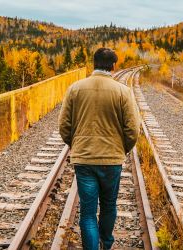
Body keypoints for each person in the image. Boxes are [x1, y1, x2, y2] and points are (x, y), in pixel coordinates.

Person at [58, 48, 140, 250]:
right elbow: (133, 129)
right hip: (111, 161)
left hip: (84, 161)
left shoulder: (75, 88)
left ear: (93, 64)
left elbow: (64, 126)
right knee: (109, 206)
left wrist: (75, 145)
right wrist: (122, 149)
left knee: (87, 213)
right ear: (113, 66)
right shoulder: (123, 91)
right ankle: (107, 243)